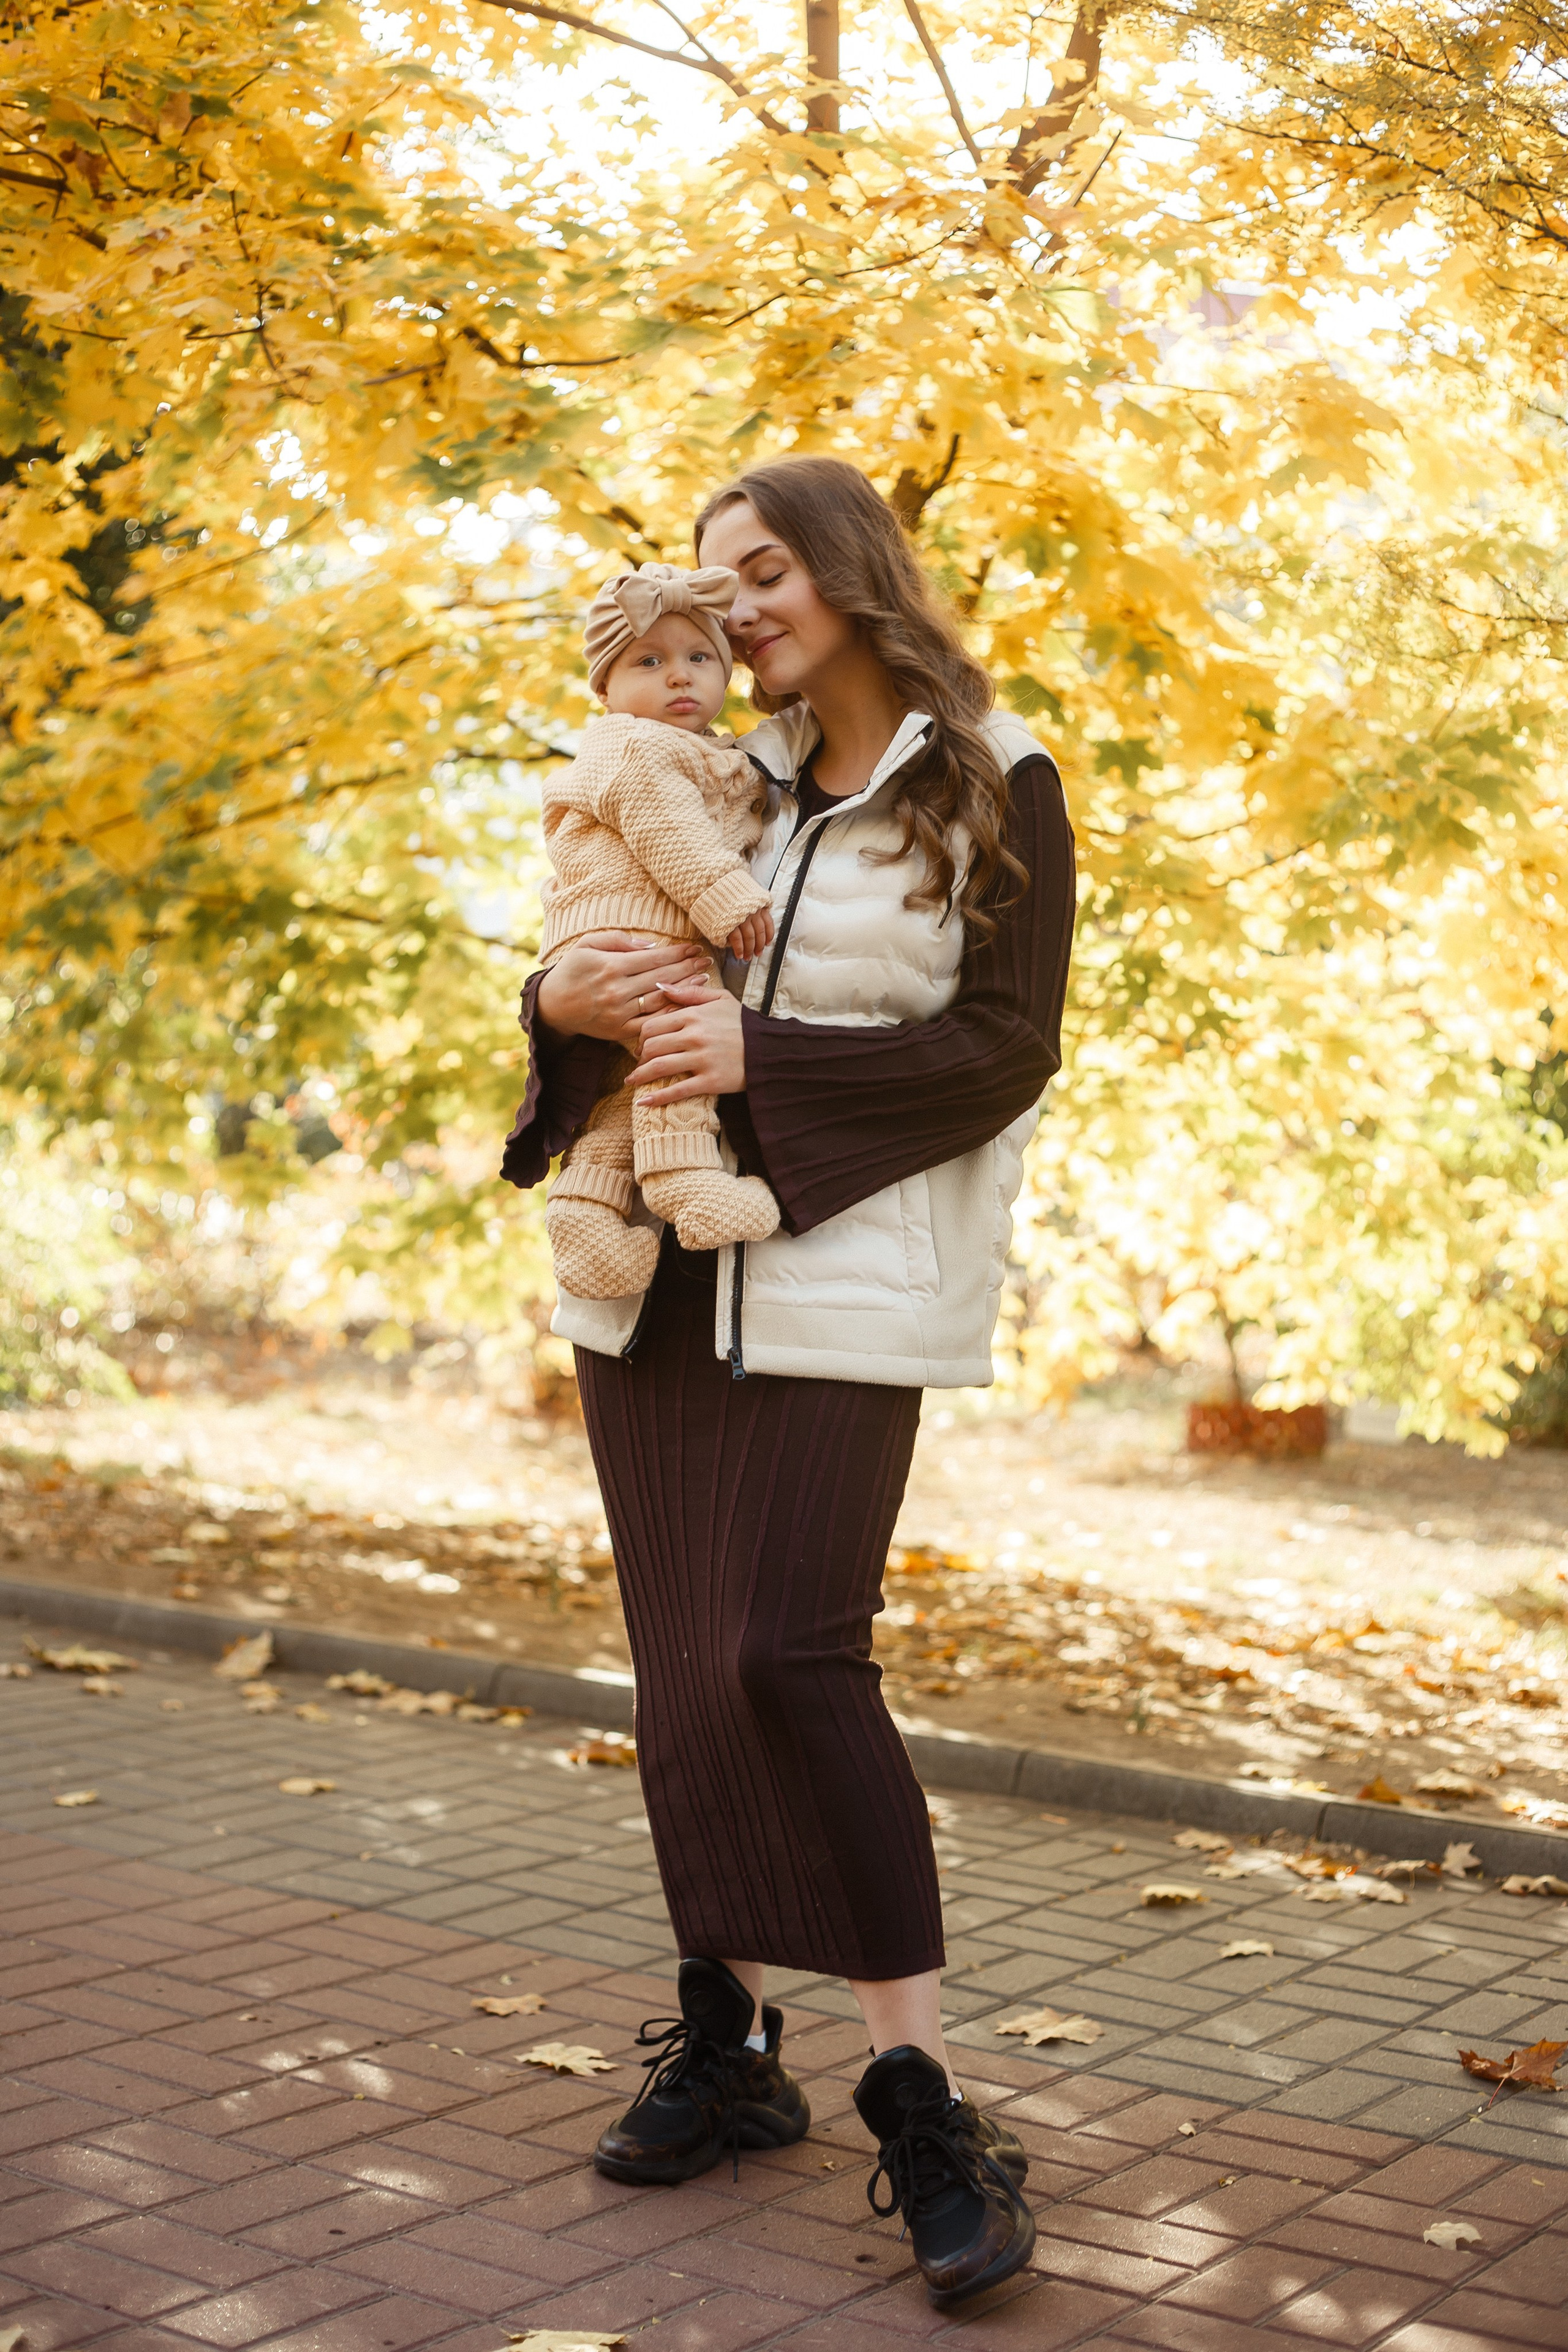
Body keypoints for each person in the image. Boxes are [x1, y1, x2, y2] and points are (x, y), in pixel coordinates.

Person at [501, 455, 1076, 2308]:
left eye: (761, 568)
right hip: (659, 1290)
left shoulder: (998, 773)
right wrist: (560, 1009)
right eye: (709, 579)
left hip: (842, 1281)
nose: (731, 604)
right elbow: (588, 958)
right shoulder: (700, 766)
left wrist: (754, 1050)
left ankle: (916, 2086)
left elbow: (1003, 1043)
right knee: (684, 1668)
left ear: (842, 566)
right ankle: (732, 2046)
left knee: (787, 1655)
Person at [538, 560, 780, 1298]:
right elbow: (661, 820)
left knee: (625, 1085)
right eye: (650, 661)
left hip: (619, 936)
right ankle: (684, 1182)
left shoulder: (710, 749)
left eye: (699, 658)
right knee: (681, 1038)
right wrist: (726, 896)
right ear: (605, 689)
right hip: (637, 934)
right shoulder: (626, 745)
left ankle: (585, 1210)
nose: (679, 677)